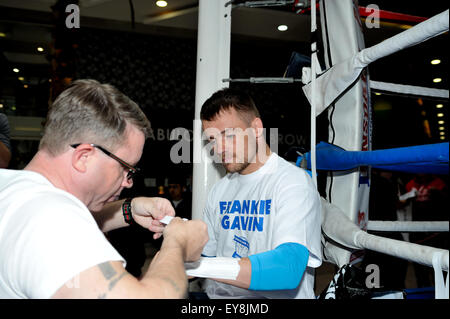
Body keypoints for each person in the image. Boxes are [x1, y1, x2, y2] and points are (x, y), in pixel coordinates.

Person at [0, 79, 208, 299]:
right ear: (84, 157)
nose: (128, 182)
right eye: (125, 168)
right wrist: (177, 245)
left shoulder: (12, 188)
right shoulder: (53, 219)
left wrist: (128, 209)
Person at [198, 88, 322, 299]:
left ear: (256, 128)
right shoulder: (220, 190)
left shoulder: (292, 183)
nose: (219, 149)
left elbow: (287, 269)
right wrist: (176, 247)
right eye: (212, 140)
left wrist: (197, 267)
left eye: (227, 135)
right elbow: (205, 255)